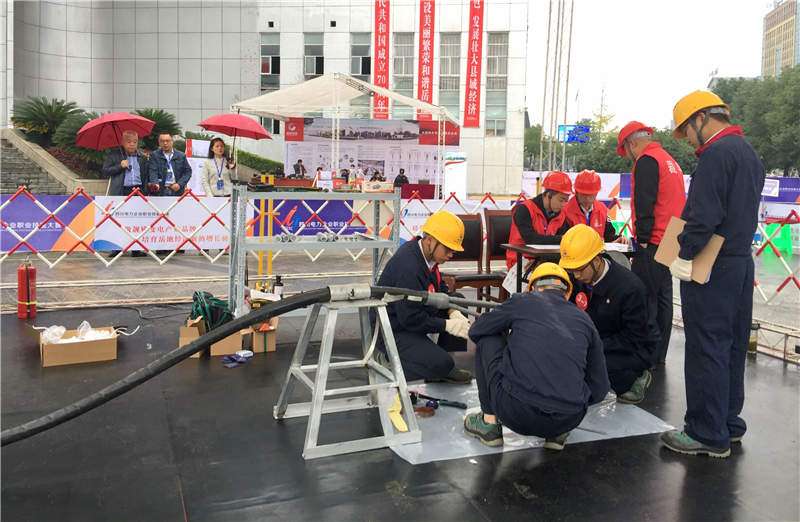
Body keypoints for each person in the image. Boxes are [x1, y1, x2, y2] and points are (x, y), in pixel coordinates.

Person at [660, 91, 765, 458]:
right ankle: (728, 423)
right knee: (731, 345)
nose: (688, 140)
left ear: (701, 118)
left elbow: (704, 215)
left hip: (712, 265)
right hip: (739, 263)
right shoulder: (748, 153)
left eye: (686, 130)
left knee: (706, 347)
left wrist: (683, 253)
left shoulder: (716, 154)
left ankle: (706, 431)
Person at [464, 263, 610, 450]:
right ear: (567, 293)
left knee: (487, 338)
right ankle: (556, 434)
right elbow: (600, 386)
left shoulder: (523, 300)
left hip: (516, 413)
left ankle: (488, 423)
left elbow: (477, 330)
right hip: (568, 419)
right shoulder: (584, 319)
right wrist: (570, 403)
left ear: (532, 287)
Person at [370, 211, 473, 384]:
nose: (451, 255)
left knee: (458, 301)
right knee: (442, 364)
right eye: (448, 249)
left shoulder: (426, 255)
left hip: (411, 314)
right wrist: (447, 325)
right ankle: (389, 360)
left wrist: (452, 311)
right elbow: (410, 319)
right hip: (393, 329)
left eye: (453, 250)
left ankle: (440, 360)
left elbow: (440, 287)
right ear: (430, 239)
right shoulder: (408, 267)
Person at [560, 225, 659, 403]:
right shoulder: (579, 277)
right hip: (600, 335)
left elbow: (635, 337)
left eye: (580, 269)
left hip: (635, 347)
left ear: (597, 260)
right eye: (572, 269)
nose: (576, 275)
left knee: (592, 368)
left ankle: (637, 376)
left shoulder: (629, 288)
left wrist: (593, 346)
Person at [616, 121, 686, 366]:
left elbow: (644, 201)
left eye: (627, 152)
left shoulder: (647, 161)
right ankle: (658, 354)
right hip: (673, 234)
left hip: (654, 238)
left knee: (645, 298)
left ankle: (645, 354)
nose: (629, 158)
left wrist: (643, 239)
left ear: (631, 143)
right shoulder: (668, 160)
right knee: (664, 296)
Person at [505, 171, 573, 270]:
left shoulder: (561, 216)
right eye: (561, 200)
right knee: (540, 278)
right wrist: (560, 238)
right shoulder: (525, 209)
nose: (563, 205)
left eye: (565, 201)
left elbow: (559, 246)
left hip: (545, 261)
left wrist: (541, 262)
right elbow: (530, 238)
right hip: (520, 260)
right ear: (549, 195)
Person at [101, 130, 150, 258]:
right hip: (121, 191)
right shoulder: (114, 155)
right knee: (118, 220)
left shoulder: (142, 157)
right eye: (129, 142)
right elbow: (105, 171)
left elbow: (145, 175)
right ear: (123, 142)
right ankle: (116, 248)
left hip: (138, 191)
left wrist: (145, 189)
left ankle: (136, 248)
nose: (132, 144)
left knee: (137, 221)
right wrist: (120, 166)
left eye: (135, 142)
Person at [562, 170, 629, 244]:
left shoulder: (602, 209)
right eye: (584, 194)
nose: (587, 198)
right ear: (576, 192)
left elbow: (609, 235)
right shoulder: (564, 211)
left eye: (591, 194)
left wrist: (619, 238)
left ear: (596, 193)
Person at [148, 131, 192, 196]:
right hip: (161, 190)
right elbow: (153, 171)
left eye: (167, 141)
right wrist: (155, 184)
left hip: (176, 190)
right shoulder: (154, 156)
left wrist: (179, 184)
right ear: (159, 142)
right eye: (162, 141)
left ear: (172, 140)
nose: (165, 143)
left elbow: (188, 172)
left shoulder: (181, 156)